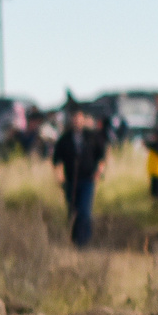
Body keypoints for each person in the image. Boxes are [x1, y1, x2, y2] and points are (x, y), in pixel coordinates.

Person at [53, 91, 107, 245]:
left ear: (83, 119)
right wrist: (59, 178)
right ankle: (75, 240)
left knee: (84, 211)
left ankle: (84, 242)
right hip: (70, 180)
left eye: (79, 118)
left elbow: (101, 156)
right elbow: (56, 160)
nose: (77, 121)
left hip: (87, 179)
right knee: (73, 211)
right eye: (74, 118)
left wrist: (99, 172)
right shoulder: (64, 139)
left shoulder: (92, 137)